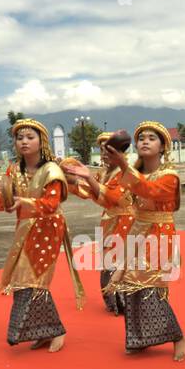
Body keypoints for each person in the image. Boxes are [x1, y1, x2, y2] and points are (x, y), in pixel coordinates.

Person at [0, 119, 83, 350]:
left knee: (34, 280)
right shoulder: (13, 170)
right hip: (25, 229)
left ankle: (55, 331)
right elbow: (6, 203)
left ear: (41, 141)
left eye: (29, 137)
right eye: (19, 137)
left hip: (48, 229)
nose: (23, 141)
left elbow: (51, 204)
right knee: (25, 282)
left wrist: (26, 202)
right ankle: (45, 331)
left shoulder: (51, 170)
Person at [101, 121, 185, 360]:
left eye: (151, 138)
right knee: (131, 285)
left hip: (159, 233)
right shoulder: (132, 174)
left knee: (150, 286)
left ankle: (178, 336)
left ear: (163, 147)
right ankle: (140, 338)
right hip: (136, 231)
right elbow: (116, 199)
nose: (145, 141)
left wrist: (123, 167)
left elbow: (150, 191)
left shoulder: (169, 175)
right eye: (141, 138)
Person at [66, 130, 134, 315]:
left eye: (108, 150)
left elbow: (111, 197)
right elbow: (87, 191)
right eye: (102, 150)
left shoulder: (125, 172)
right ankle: (112, 300)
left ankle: (125, 302)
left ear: (120, 152)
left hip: (126, 221)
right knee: (108, 259)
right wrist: (68, 178)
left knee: (120, 259)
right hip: (109, 220)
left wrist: (87, 179)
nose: (104, 154)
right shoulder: (103, 173)